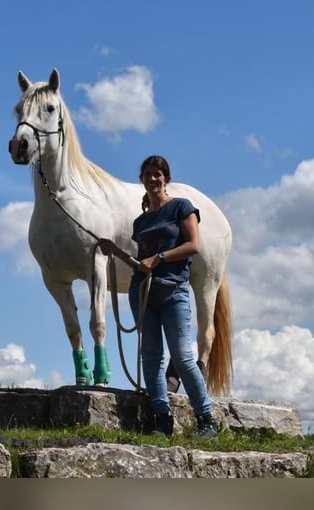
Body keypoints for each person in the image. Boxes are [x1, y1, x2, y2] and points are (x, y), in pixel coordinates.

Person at [100, 155, 217, 439]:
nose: (153, 179)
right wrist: (114, 251)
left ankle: (206, 419)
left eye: (158, 174)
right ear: (142, 179)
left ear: (166, 178)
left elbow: (193, 245)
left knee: (182, 355)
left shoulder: (181, 208)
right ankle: (160, 420)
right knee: (150, 357)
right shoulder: (140, 222)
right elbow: (142, 263)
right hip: (144, 293)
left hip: (174, 290)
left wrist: (160, 257)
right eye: (148, 174)